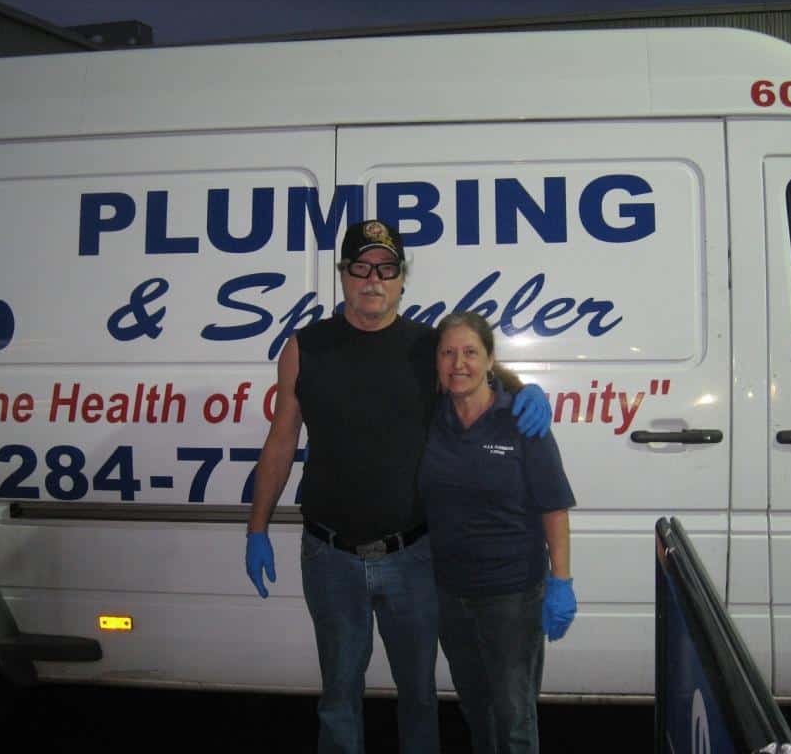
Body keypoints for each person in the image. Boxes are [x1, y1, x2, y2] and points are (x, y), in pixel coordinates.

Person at [244, 219, 552, 754]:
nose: (373, 279)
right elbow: (280, 440)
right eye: (360, 268)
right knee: (338, 695)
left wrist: (528, 390)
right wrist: (257, 527)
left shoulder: (426, 347)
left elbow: (479, 375)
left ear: (401, 279)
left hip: (412, 554)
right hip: (328, 554)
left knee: (418, 695)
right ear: (342, 275)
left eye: (386, 269)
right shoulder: (304, 348)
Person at [419, 311, 577, 754]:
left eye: (470, 352)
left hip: (511, 596)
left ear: (490, 360)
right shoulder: (431, 419)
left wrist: (560, 580)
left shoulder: (522, 421)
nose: (458, 363)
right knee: (475, 708)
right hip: (450, 594)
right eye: (448, 353)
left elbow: (553, 506)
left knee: (514, 718)